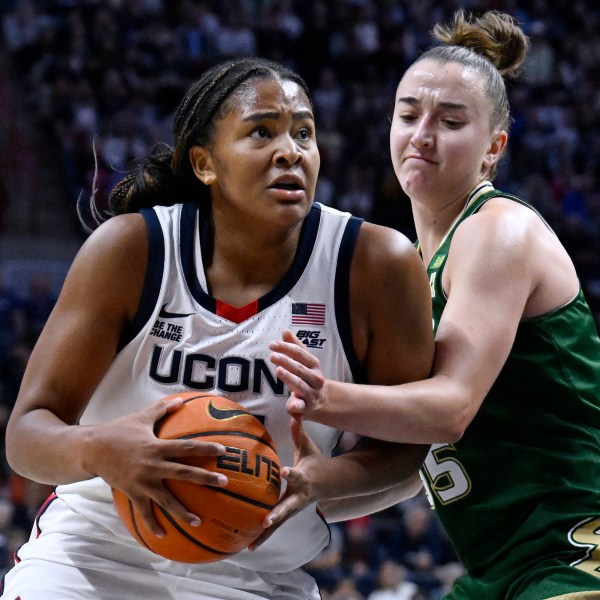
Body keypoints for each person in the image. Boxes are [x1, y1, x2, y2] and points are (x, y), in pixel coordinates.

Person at [1, 57, 434, 599]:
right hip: (93, 557)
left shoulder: (377, 266)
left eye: (304, 132)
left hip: (261, 574)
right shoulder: (130, 250)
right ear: (205, 163)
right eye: (262, 131)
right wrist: (97, 451)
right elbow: (26, 436)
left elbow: (410, 447)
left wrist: (330, 481)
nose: (290, 151)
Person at [267, 11, 600, 600]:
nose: (422, 134)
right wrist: (320, 487)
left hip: (576, 551)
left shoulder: (499, 230)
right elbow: (417, 462)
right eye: (408, 115)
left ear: (494, 147)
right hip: (499, 572)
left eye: (450, 121)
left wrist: (327, 397)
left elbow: (450, 410)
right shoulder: (413, 272)